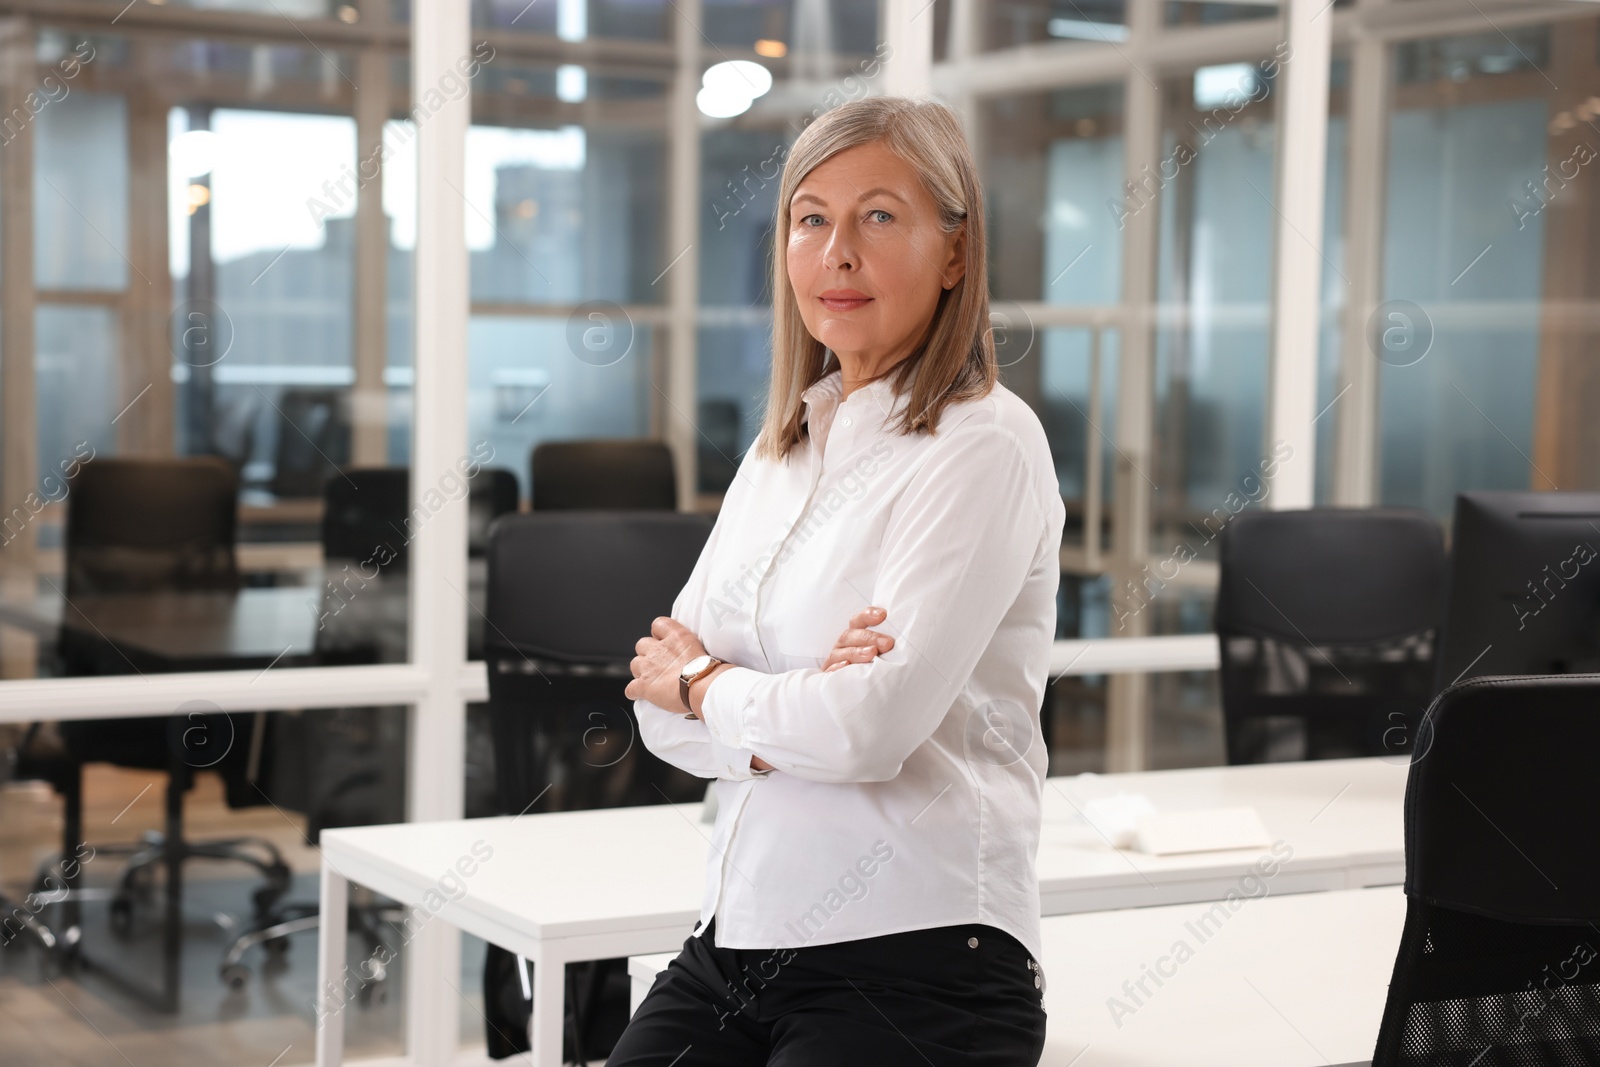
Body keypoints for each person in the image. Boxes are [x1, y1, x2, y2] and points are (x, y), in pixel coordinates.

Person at [617, 95, 1065, 1066]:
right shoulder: (782, 450)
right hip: (733, 941)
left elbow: (869, 729)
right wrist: (792, 702)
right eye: (811, 217)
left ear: (955, 252)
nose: (837, 253)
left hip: (919, 955)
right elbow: (653, 707)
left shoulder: (982, 443)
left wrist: (713, 685)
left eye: (879, 215)